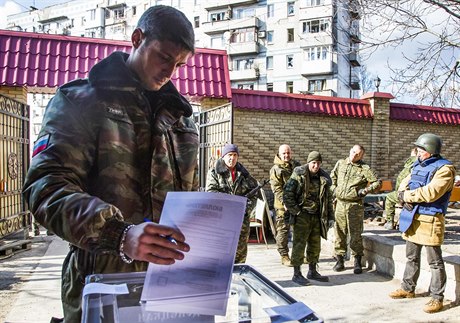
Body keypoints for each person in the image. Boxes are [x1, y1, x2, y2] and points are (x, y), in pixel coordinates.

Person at [22, 6, 197, 322]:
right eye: (163, 57)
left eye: (179, 64)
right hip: (103, 287)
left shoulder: (181, 121)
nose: (170, 72)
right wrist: (119, 234)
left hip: (169, 287)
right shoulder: (82, 101)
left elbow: (185, 202)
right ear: (137, 39)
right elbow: (44, 187)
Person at [389, 133, 456, 314]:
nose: (417, 152)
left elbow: (431, 192)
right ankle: (408, 288)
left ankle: (437, 298)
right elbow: (404, 183)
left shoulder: (445, 169)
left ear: (430, 150)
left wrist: (407, 196)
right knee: (411, 257)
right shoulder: (418, 164)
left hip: (430, 219)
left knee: (435, 262)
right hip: (413, 217)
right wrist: (403, 194)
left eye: (420, 149)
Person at [283, 151, 335, 285]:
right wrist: (297, 212)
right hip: (302, 216)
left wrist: (330, 216)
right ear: (308, 163)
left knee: (315, 244)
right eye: (313, 163)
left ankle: (312, 270)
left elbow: (328, 199)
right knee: (299, 244)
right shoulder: (298, 174)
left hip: (317, 216)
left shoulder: (323, 178)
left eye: (318, 163)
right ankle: (297, 273)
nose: (316, 166)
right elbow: (287, 195)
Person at [330, 144, 381, 274]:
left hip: (355, 206)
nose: (354, 155)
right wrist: (334, 190)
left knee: (355, 234)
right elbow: (332, 178)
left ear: (361, 155)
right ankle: (340, 259)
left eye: (358, 154)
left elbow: (377, 183)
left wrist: (364, 191)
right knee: (339, 233)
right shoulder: (341, 164)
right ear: (350, 151)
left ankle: (357, 260)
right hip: (340, 204)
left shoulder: (364, 168)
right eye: (353, 152)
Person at [205, 143, 260, 264]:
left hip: (241, 220)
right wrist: (230, 206)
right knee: (221, 251)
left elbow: (254, 193)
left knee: (240, 253)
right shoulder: (214, 173)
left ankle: (237, 277)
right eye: (230, 155)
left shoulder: (244, 174)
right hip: (222, 219)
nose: (232, 158)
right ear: (224, 156)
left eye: (235, 155)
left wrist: (245, 209)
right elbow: (211, 193)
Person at [269, 144, 301, 266]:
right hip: (283, 206)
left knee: (299, 230)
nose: (286, 155)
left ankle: (298, 254)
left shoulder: (296, 166)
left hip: (297, 204)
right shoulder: (276, 169)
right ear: (279, 154)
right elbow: (277, 189)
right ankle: (284, 255)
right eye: (284, 153)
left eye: (288, 153)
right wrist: (286, 201)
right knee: (283, 230)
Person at [384, 148, 418, 230]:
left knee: (389, 197)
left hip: (406, 192)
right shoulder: (419, 164)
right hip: (412, 192)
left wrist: (402, 195)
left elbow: (404, 181)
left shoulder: (411, 164)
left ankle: (389, 222)